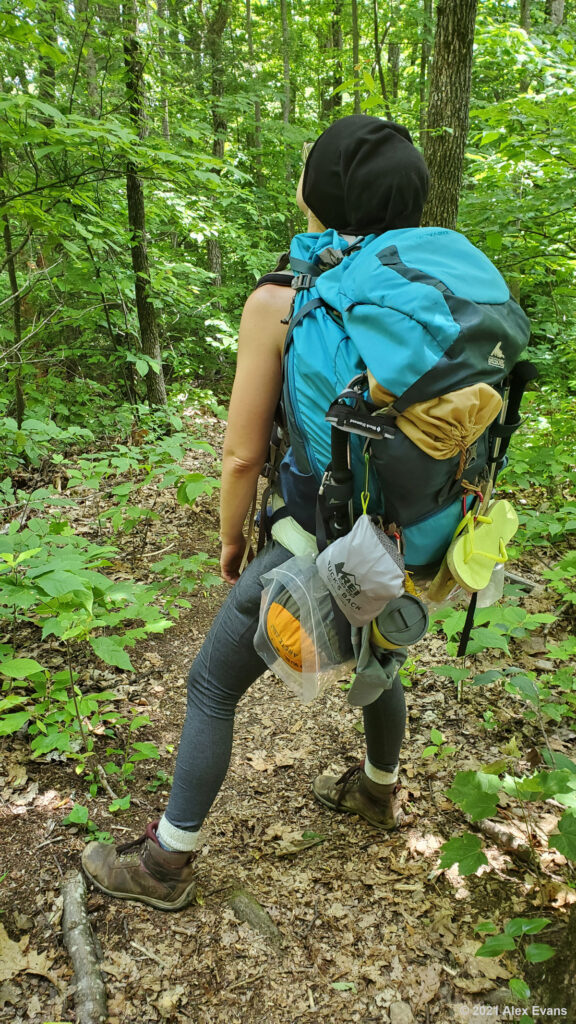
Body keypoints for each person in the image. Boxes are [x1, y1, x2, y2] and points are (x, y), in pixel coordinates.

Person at [81, 116, 430, 911]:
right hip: (414, 543)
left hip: (317, 540)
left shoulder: (282, 299)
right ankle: (379, 789)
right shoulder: (427, 296)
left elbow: (241, 456)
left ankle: (164, 867)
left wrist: (232, 539)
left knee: (210, 684)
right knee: (381, 655)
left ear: (323, 192)